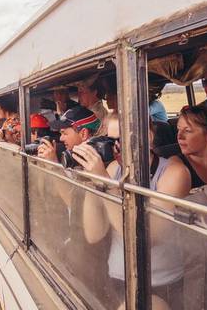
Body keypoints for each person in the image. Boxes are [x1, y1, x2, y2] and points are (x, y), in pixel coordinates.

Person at [76, 114, 191, 309]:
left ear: (148, 136)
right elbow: (94, 234)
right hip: (118, 278)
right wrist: (92, 181)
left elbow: (147, 238)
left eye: (121, 140)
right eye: (109, 141)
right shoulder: (113, 169)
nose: (115, 148)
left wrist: (105, 183)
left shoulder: (174, 173)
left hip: (159, 283)